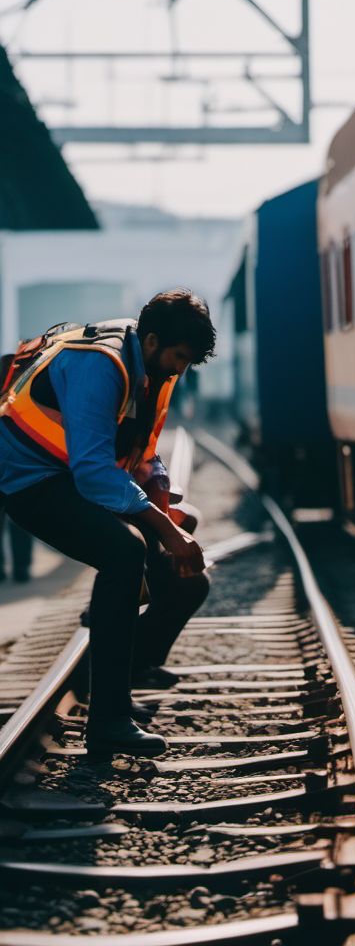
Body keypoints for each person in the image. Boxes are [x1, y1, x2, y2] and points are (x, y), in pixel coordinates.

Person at [0, 290, 216, 758]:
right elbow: (94, 471)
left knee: (187, 581)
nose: (180, 370)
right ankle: (109, 721)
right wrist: (161, 526)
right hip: (28, 481)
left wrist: (157, 491)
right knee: (124, 552)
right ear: (155, 340)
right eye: (179, 358)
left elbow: (139, 446)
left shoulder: (149, 361)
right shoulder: (99, 366)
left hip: (70, 475)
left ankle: (118, 674)